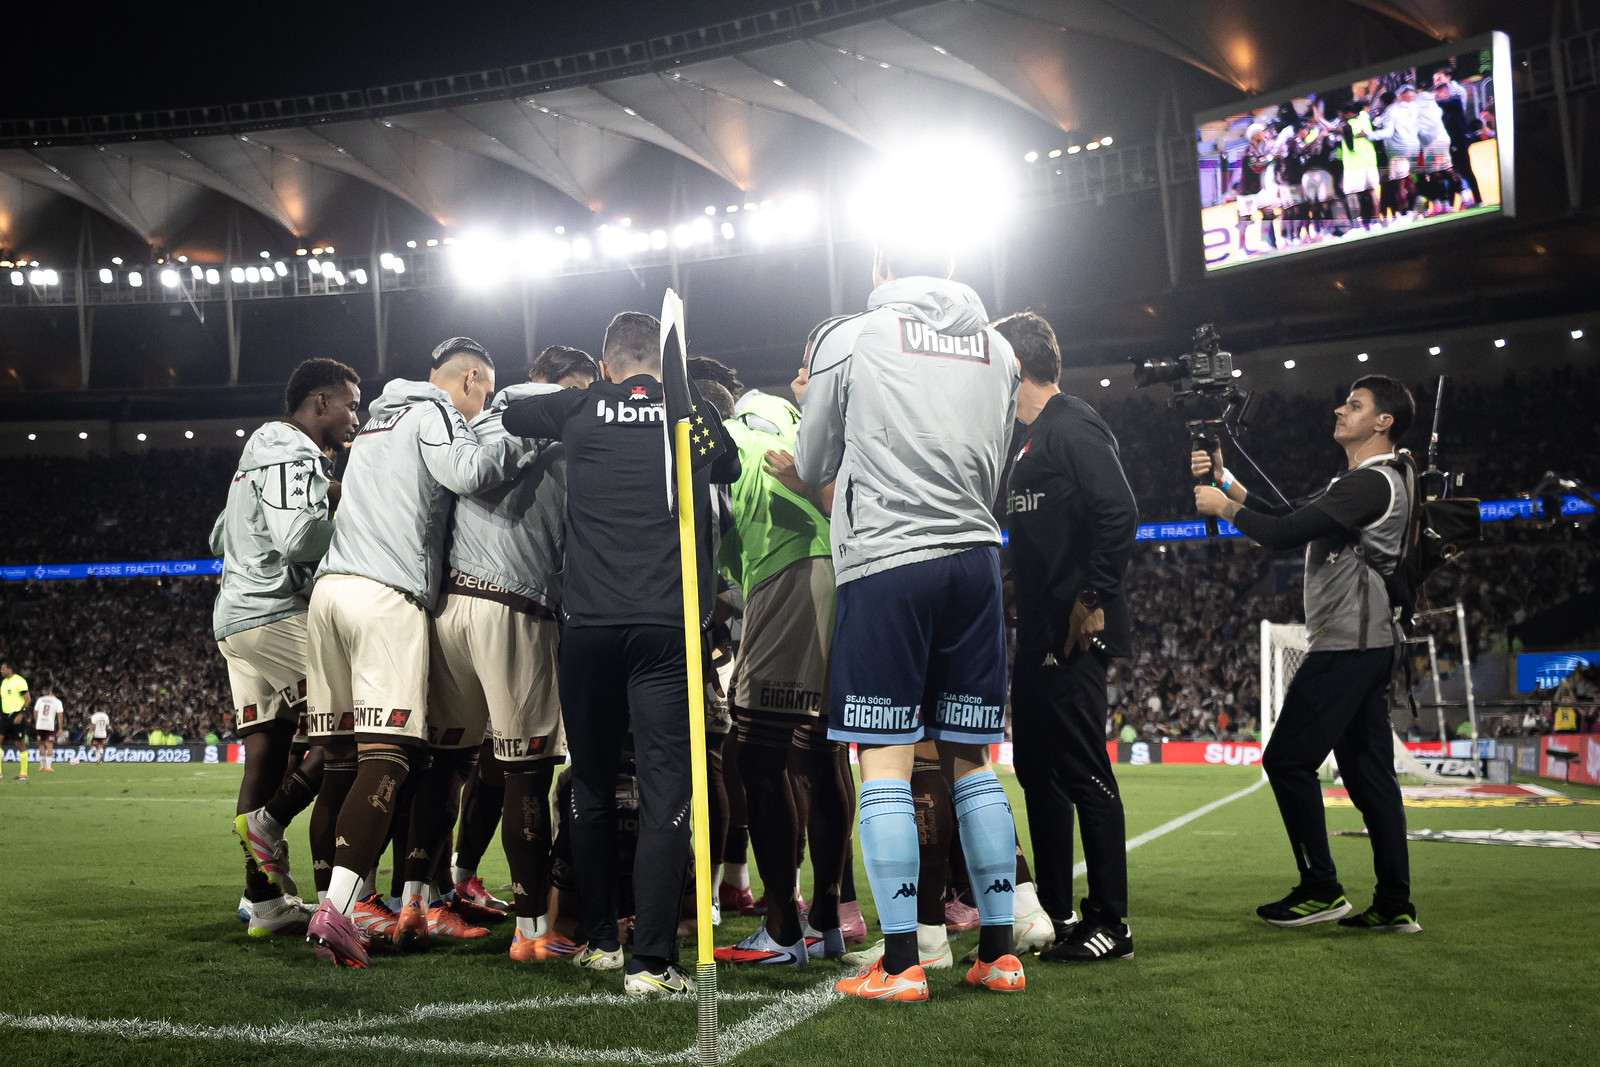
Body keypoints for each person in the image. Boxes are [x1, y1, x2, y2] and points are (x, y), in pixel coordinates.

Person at [795, 237, 1025, 1002]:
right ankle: (998, 953)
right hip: (975, 561)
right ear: (956, 265)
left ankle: (899, 963)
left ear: (879, 268)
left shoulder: (850, 336)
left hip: (890, 560)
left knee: (885, 758)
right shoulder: (998, 347)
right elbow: (996, 456)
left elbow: (815, 455)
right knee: (972, 758)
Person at [501, 311, 739, 996]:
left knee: (592, 783)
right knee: (667, 788)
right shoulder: (684, 413)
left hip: (589, 627)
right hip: (666, 626)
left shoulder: (578, 405)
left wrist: (583, 403)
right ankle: (652, 963)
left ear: (606, 365)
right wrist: (678, 401)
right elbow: (727, 462)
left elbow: (512, 412)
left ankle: (602, 941)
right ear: (664, 364)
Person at [303, 336, 521, 968]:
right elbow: (467, 472)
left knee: (344, 763)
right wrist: (523, 439)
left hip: (331, 593)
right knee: (392, 760)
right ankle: (338, 915)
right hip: (384, 596)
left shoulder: (374, 420)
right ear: (472, 379)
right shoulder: (435, 412)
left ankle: (354, 902)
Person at [1194, 374, 1420, 934]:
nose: (1340, 409)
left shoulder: (1371, 483)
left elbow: (1283, 532)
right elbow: (1292, 514)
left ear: (1383, 422)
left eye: (1356, 404)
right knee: (1369, 777)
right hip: (1368, 643)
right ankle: (1395, 902)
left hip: (1349, 642)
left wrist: (1224, 507)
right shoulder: (1372, 480)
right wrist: (1231, 482)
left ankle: (1321, 887)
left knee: (1287, 760)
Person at [425, 343, 599, 962]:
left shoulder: (480, 418)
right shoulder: (554, 415)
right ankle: (532, 934)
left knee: (449, 764)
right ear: (562, 383)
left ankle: (418, 902)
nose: (593, 398)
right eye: (585, 386)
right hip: (514, 607)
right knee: (527, 773)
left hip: (450, 607)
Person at [994, 310, 1139, 962]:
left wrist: (1092, 597)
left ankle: (1111, 920)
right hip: (1037, 634)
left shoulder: (1072, 422)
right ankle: (1053, 911)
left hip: (1077, 633)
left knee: (1084, 772)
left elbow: (1119, 508)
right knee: (1036, 772)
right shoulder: (1025, 441)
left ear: (1015, 366)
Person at [711, 345, 853, 968]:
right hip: (842, 567)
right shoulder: (793, 418)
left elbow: (710, 537)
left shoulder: (723, 440)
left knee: (754, 754)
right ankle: (828, 920)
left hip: (785, 572)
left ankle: (782, 929)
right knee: (821, 752)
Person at [213, 358, 360, 937]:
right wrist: (359, 515)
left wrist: (327, 489)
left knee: (266, 753)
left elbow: (219, 533)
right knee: (353, 725)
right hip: (273, 615)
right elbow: (298, 538)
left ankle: (265, 902)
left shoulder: (263, 456)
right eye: (350, 403)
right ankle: (272, 825)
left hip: (239, 618)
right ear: (319, 402)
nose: (356, 415)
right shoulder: (288, 445)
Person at [2, 661, 30, 780]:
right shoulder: (3, 683)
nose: (1, 670)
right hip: (4, 716)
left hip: (16, 717)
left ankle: (23, 773)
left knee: (20, 744)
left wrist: (21, 714)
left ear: (10, 669)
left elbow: (27, 699)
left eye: (3, 668)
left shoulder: (20, 681)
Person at [32, 682, 63, 772]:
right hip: (50, 726)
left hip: (40, 726)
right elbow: (60, 716)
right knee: (49, 746)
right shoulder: (58, 702)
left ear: (50, 691)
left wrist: (37, 721)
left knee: (41, 746)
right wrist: (60, 728)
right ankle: (48, 767)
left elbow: (35, 712)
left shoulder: (40, 699)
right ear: (57, 694)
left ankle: (42, 766)